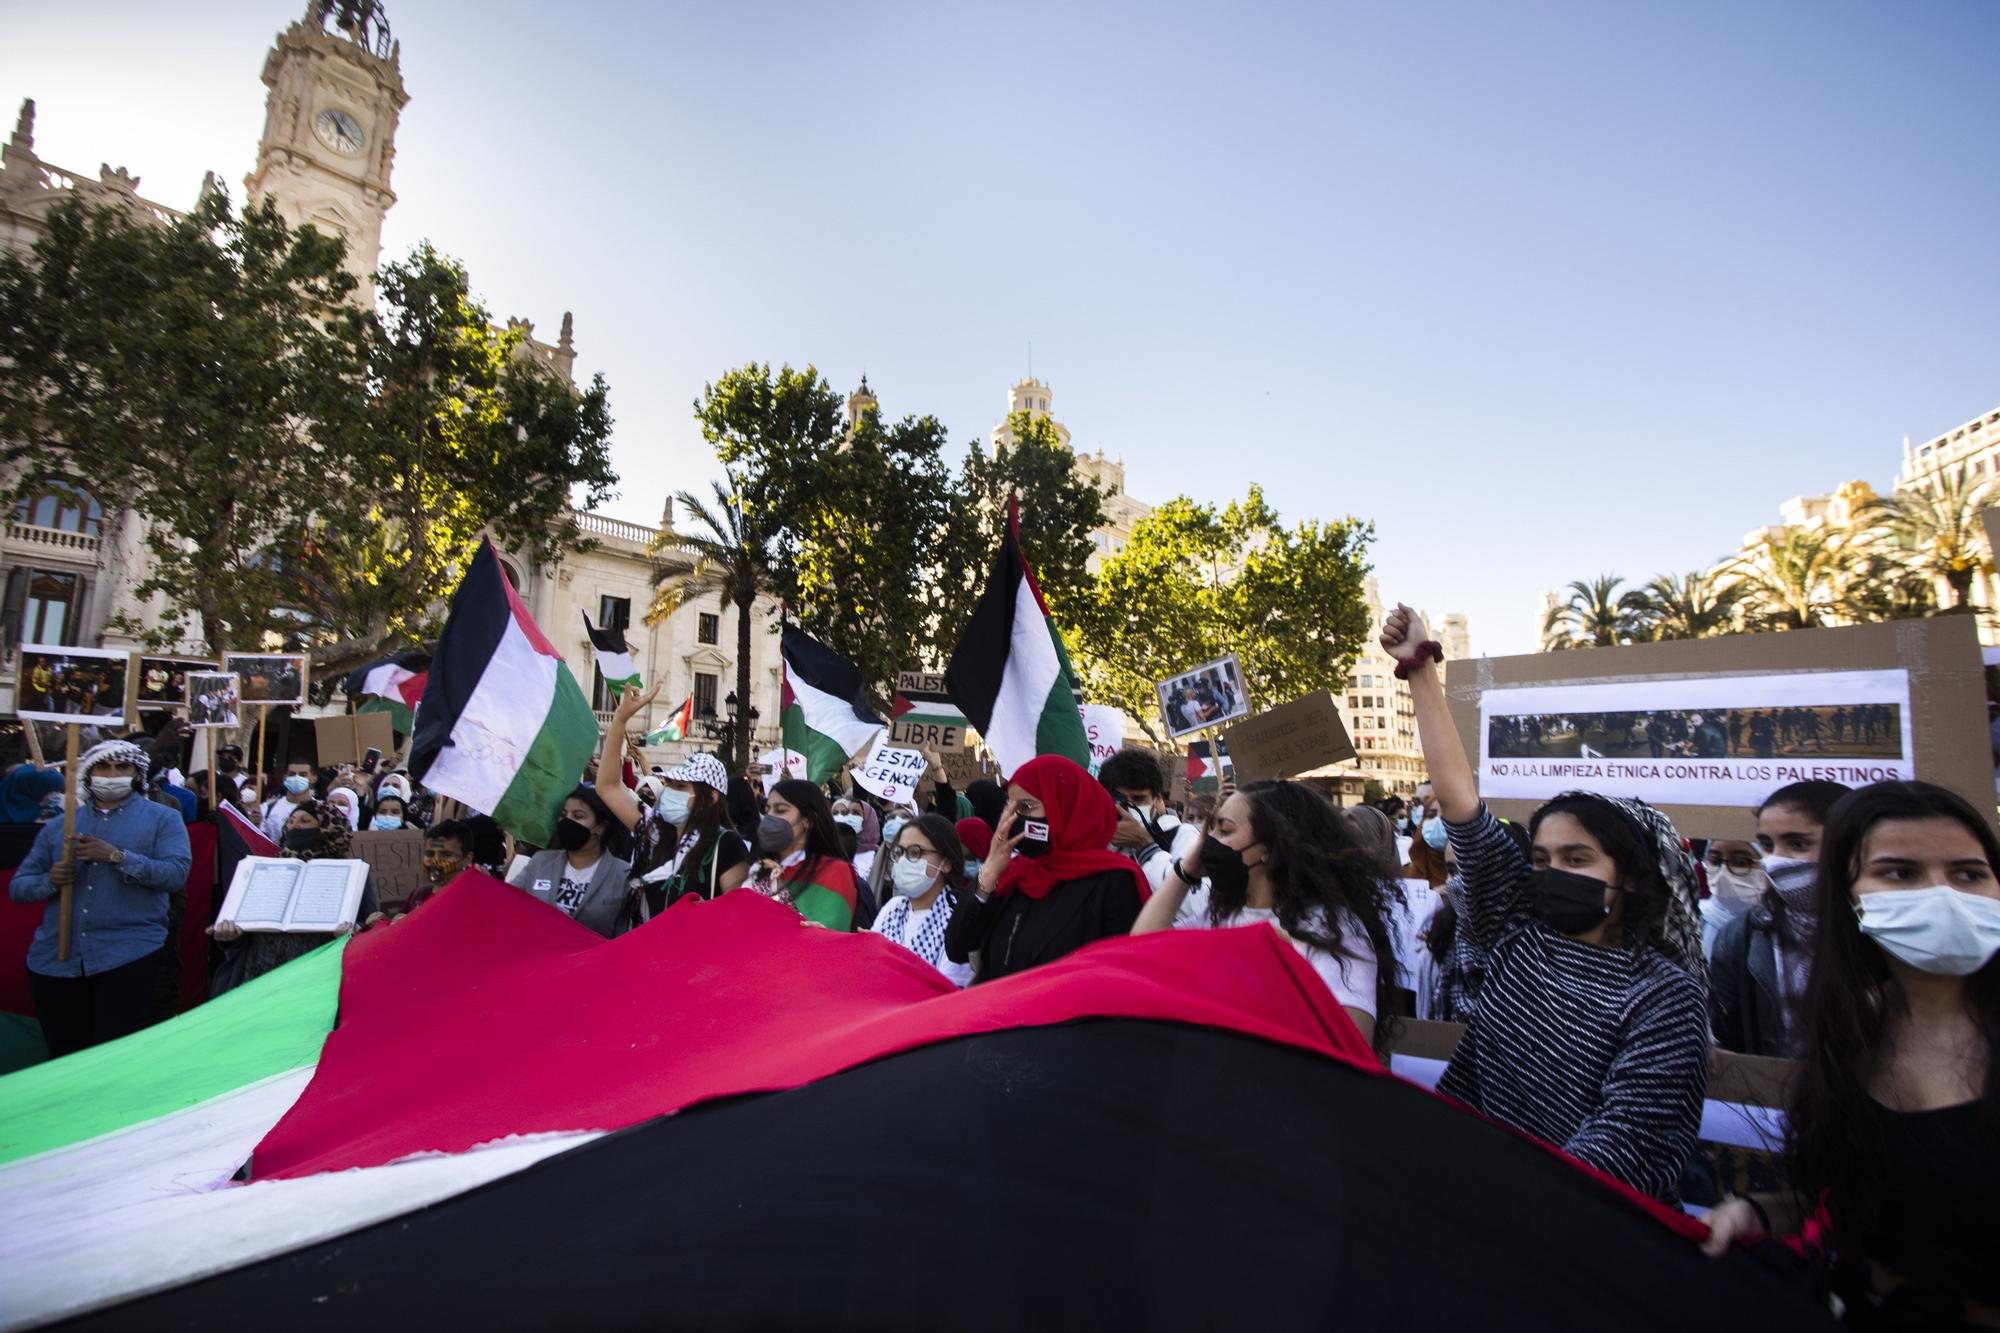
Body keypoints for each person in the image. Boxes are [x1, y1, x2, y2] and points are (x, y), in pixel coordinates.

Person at [1384, 602, 1709, 1204]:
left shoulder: (1666, 998)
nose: (1553, 873)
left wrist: (1504, 1203)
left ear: (1632, 879)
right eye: (1541, 860)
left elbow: (1620, 1152)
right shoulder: (1518, 934)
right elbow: (1461, 806)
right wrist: (1421, 672)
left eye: (1578, 860)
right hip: (1474, 1207)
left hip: (1580, 1237)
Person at [1702, 781, 2000, 1327]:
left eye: (1968, 873)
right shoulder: (1850, 1029)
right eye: (1900, 873)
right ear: (1847, 892)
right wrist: (1761, 1213)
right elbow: (1849, 1195)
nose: (1942, 894)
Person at [1135, 780, 1400, 1052]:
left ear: (1269, 847)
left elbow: (1352, 1046)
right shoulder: (1221, 915)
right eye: (1210, 829)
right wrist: (1186, 871)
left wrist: (1282, 962)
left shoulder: (1332, 931)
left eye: (1224, 829)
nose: (1208, 841)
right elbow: (1139, 951)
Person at [9, 740, 191, 1057]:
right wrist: (49, 881)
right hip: (55, 960)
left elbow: (175, 875)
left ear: (137, 773)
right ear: (89, 773)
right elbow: (19, 887)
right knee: (65, 1056)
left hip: (128, 955)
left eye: (122, 767)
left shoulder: (163, 819)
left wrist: (118, 857)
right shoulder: (60, 825)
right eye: (104, 767)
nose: (112, 774)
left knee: (114, 1056)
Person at [945, 755, 1149, 984]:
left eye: (1025, 807)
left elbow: (1123, 978)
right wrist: (989, 873)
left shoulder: (1114, 881)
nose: (1013, 818)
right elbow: (958, 948)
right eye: (1009, 806)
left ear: (1063, 806)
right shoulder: (1014, 874)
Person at [1709, 780, 1849, 1058]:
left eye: (1798, 843)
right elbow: (1730, 1033)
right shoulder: (1743, 935)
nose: (1776, 860)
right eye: (1767, 845)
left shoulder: (1884, 929)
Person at [209, 798, 379, 995]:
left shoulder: (351, 875)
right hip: (260, 977)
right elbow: (245, 931)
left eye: (304, 821)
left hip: (317, 979)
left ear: (328, 828)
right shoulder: (263, 870)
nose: (294, 826)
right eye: (290, 821)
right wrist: (230, 937)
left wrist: (351, 935)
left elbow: (367, 929)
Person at [506, 789, 631, 937]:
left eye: (578, 816)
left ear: (601, 827)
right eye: (564, 815)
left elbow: (624, 936)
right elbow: (506, 900)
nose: (567, 821)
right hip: (539, 954)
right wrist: (484, 882)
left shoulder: (623, 874)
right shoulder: (540, 861)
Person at [868, 813, 974, 987]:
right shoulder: (893, 908)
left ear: (946, 863)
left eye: (915, 852)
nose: (903, 861)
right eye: (899, 852)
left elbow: (947, 991)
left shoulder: (957, 920)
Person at [750, 779, 862, 930]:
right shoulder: (760, 870)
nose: (770, 817)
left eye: (780, 810)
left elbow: (834, 936)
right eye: (767, 810)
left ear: (808, 820)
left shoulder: (835, 873)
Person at [1099, 748, 1202, 899]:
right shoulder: (1097, 840)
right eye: (1120, 799)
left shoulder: (1183, 836)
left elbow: (1193, 901)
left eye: (1139, 799)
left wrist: (1145, 846)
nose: (1128, 807)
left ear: (1156, 800)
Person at [1699, 838, 1767, 961]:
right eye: (1715, 861)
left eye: (1741, 862)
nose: (1723, 873)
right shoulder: (1694, 921)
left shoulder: (1789, 931)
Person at [259, 760, 317, 842]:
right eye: (292, 774)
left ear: (313, 778)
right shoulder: (266, 808)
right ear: (285, 777)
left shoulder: (321, 810)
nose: (297, 778)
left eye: (303, 774)